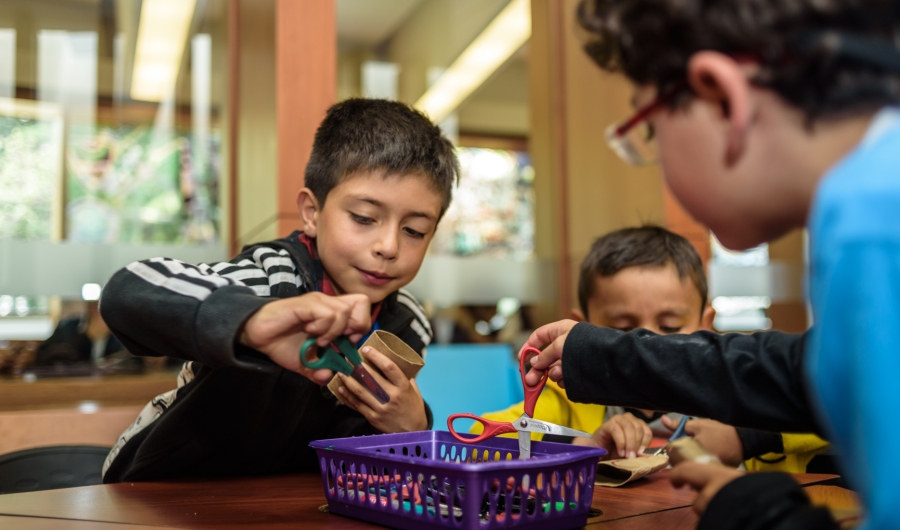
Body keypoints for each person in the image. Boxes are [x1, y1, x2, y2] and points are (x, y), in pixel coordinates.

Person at [523, 1, 900, 528]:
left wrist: (751, 511)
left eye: (650, 130)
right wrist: (601, 353)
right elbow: (808, 371)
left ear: (722, 96)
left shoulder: (871, 220)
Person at [99, 99, 458, 482]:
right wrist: (253, 318)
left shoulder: (408, 323)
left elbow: (369, 452)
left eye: (414, 231)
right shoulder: (268, 280)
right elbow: (128, 291)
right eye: (364, 218)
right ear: (312, 213)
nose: (389, 246)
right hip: (159, 489)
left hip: (292, 503)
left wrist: (415, 425)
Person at [476, 226, 828, 472]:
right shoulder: (561, 401)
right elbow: (477, 444)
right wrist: (580, 452)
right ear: (580, 330)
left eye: (671, 327)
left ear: (707, 324)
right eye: (622, 330)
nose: (646, 346)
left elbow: (845, 406)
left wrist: (748, 436)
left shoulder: (741, 392)